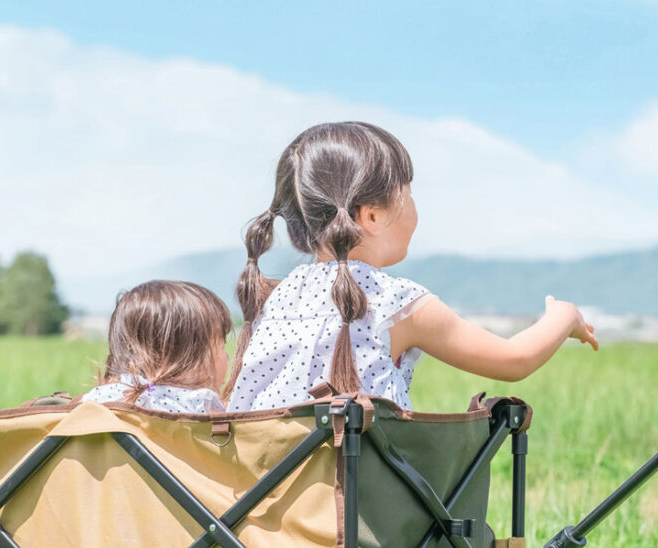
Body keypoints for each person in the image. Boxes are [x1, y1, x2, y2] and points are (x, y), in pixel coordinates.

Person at [226, 121, 597, 412]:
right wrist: (564, 316)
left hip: (268, 502)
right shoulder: (394, 301)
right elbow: (515, 359)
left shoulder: (278, 297)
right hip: (356, 505)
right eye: (408, 192)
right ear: (371, 215)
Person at [85, 280, 231, 413]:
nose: (227, 357)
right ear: (185, 357)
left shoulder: (94, 400)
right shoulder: (199, 404)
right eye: (221, 346)